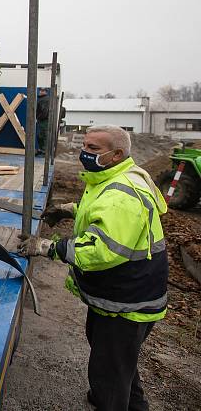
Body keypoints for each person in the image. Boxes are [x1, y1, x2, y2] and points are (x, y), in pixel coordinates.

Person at [18, 125, 168, 411]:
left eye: (93, 149)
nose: (84, 153)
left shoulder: (123, 195)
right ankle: (130, 404)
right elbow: (100, 208)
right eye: (84, 145)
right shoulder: (111, 178)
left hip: (128, 300)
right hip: (124, 294)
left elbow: (103, 250)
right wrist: (69, 209)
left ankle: (111, 401)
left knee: (109, 369)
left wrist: (48, 247)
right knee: (117, 361)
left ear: (117, 154)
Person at [35, 88, 50, 155]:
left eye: (42, 91)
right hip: (42, 120)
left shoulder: (45, 99)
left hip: (43, 120)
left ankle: (44, 151)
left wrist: (38, 118)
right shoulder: (42, 99)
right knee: (41, 135)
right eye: (40, 90)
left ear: (46, 92)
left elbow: (44, 111)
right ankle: (42, 150)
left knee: (43, 135)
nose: (40, 92)